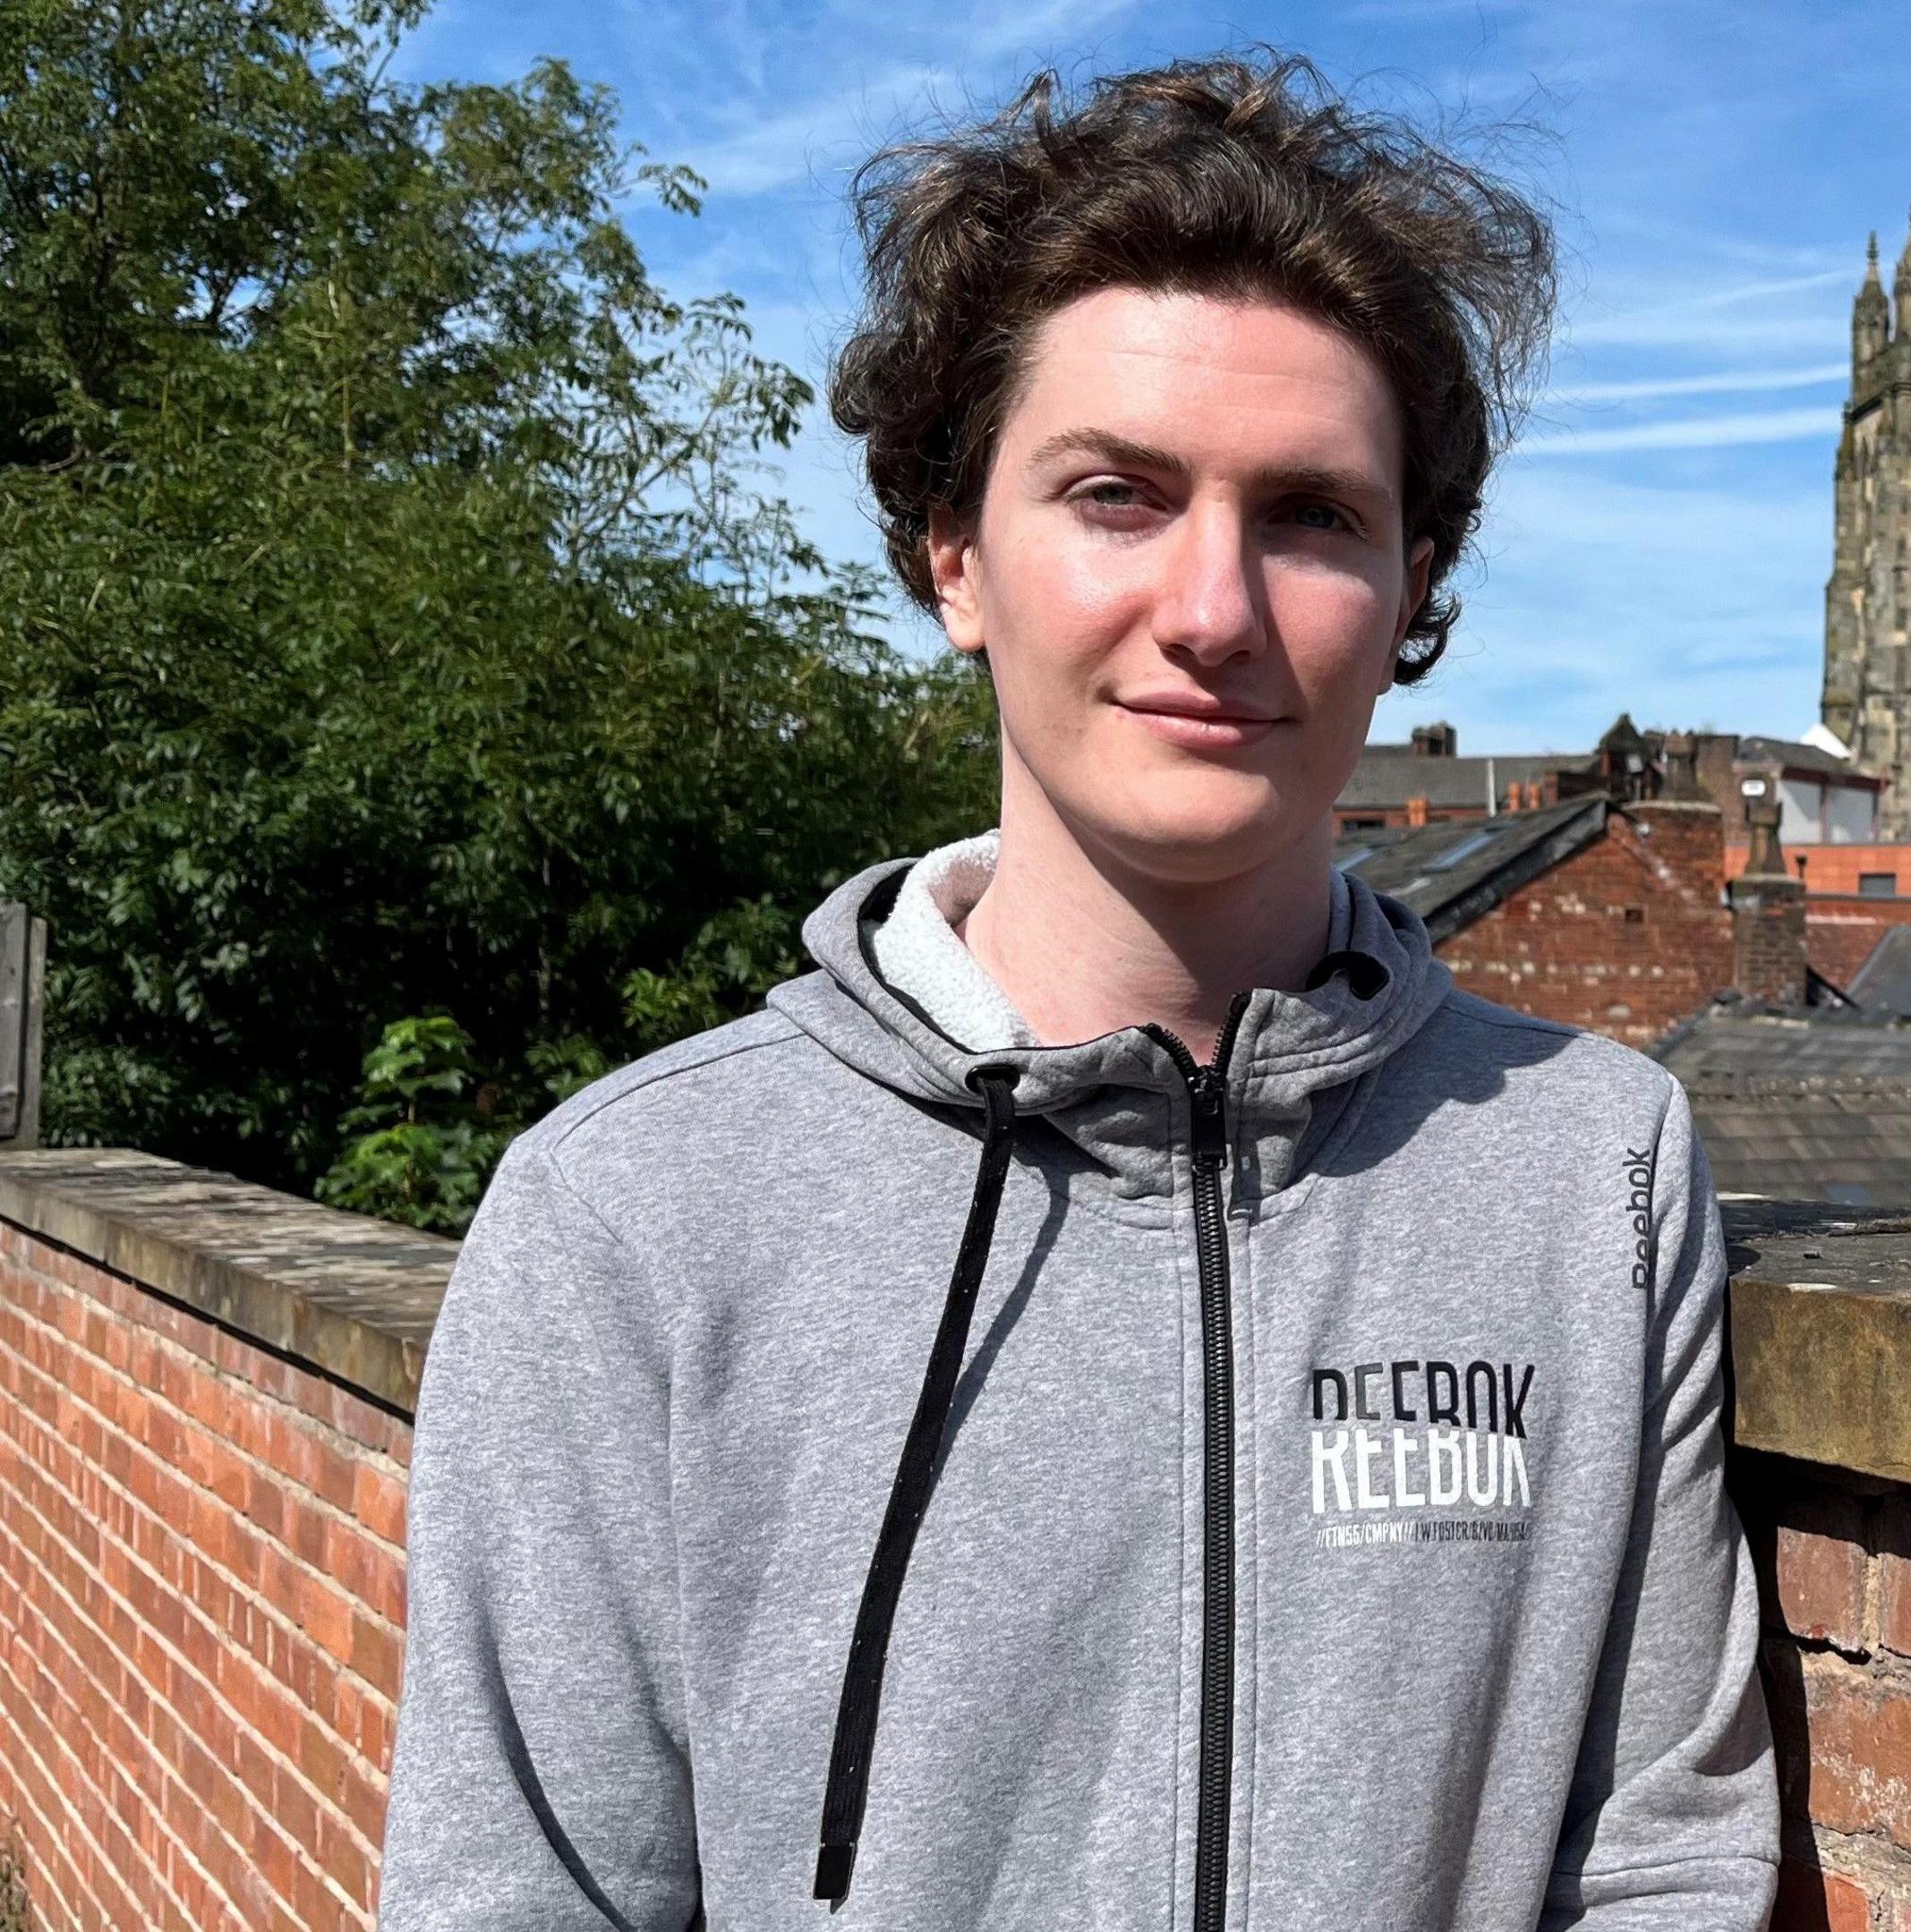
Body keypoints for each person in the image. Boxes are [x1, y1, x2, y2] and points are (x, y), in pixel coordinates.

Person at [377, 57, 1779, 1930]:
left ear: (1411, 582)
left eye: (1310, 517)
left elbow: (1668, 1856)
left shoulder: (1595, 1171)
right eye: (1117, 495)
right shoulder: (632, 1214)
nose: (1214, 607)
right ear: (957, 557)